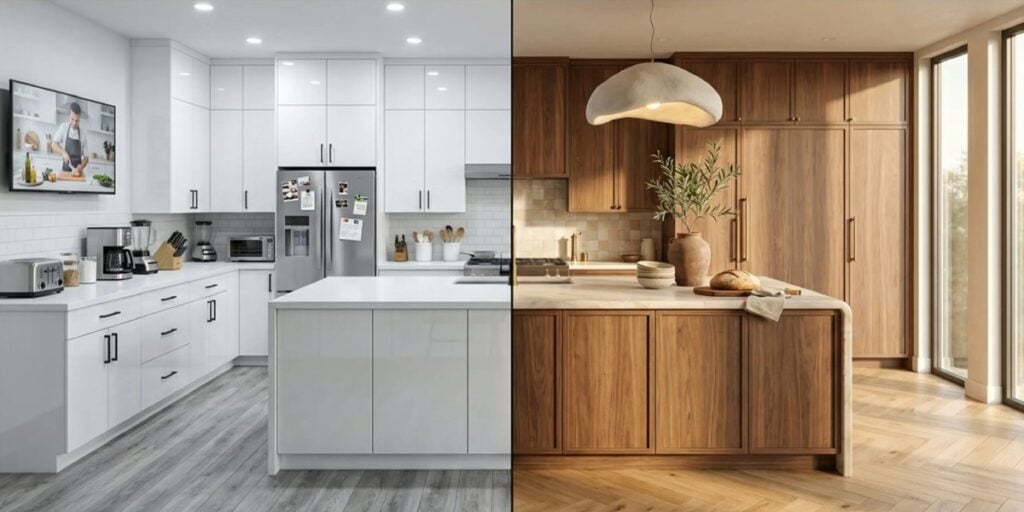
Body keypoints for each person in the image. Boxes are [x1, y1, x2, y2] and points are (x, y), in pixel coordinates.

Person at [51, 101, 89, 176]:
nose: (74, 123)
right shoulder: (63, 127)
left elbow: (86, 158)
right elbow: (53, 144)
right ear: (69, 116)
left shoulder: (83, 134)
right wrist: (63, 153)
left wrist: (81, 167)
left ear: (80, 118)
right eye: (72, 119)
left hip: (78, 172)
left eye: (77, 121)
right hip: (65, 171)